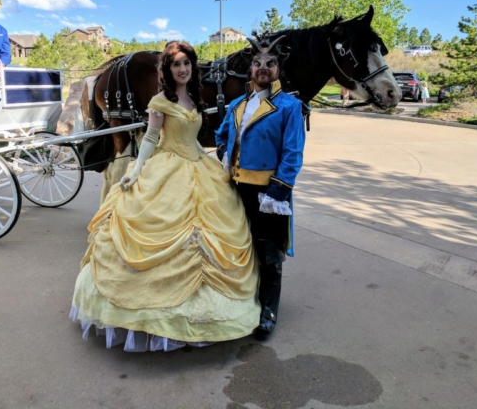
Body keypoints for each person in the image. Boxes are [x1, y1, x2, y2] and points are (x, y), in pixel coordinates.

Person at [69, 41, 259, 352]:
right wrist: (137, 169)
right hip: (166, 167)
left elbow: (193, 140)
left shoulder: (194, 98)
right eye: (176, 64)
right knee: (157, 225)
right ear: (167, 70)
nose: (182, 69)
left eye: (186, 63)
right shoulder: (160, 100)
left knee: (217, 225)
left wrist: (213, 161)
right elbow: (151, 138)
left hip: (197, 165)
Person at [216, 37, 306, 340]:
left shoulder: (290, 107)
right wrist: (224, 153)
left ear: (278, 69)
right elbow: (221, 135)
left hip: (269, 193)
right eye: (257, 63)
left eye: (270, 63)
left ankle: (268, 313)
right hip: (236, 190)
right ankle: (247, 302)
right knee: (242, 249)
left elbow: (292, 154)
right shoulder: (237, 105)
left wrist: (277, 192)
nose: (263, 67)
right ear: (250, 69)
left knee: (269, 254)